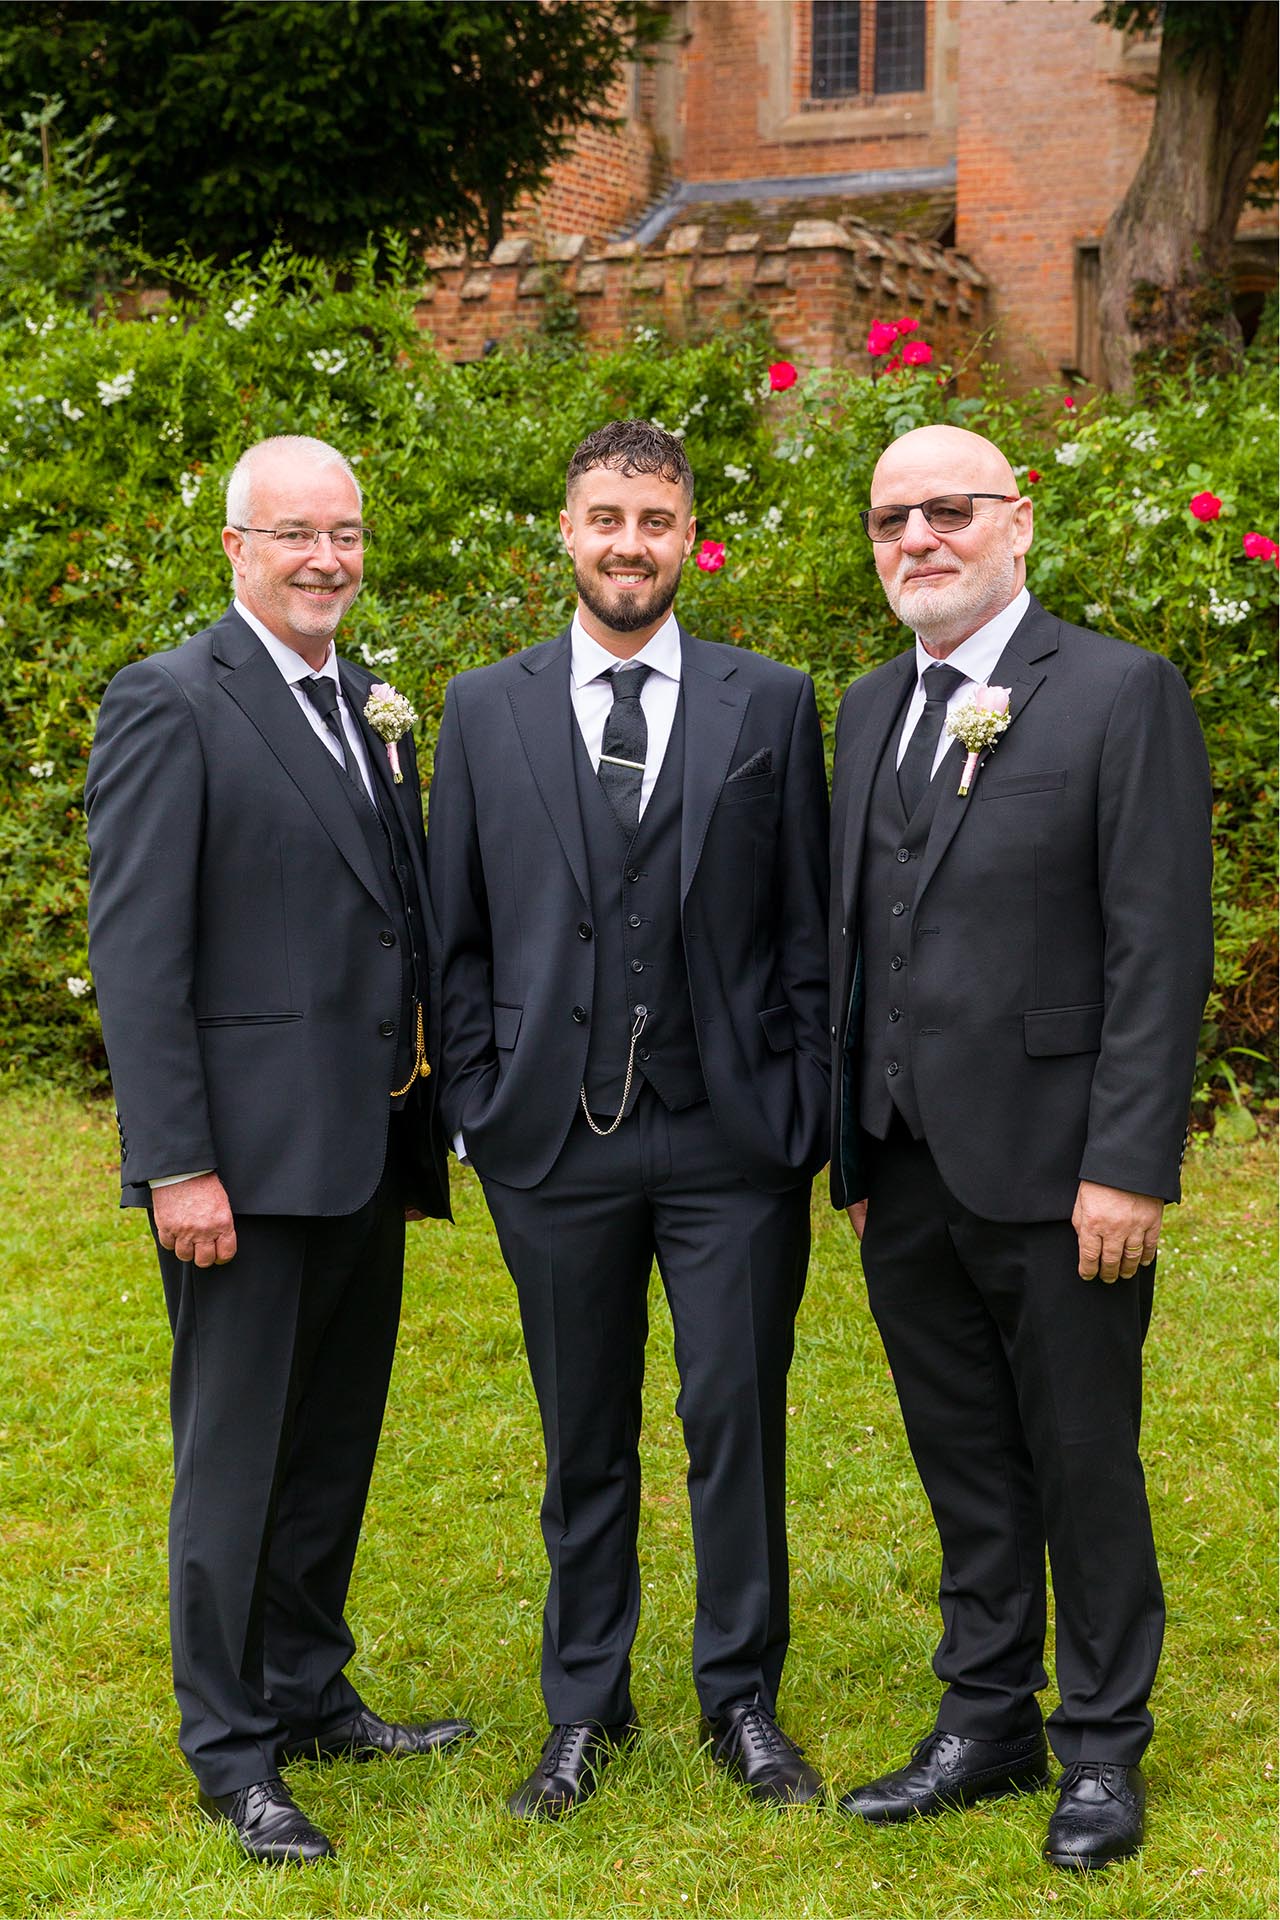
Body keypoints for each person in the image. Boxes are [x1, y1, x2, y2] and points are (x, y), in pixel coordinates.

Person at [426, 420, 830, 1818]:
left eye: (655, 522)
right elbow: (456, 934)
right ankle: (585, 1706)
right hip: (553, 1142)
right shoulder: (483, 708)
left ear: (690, 535)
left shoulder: (769, 704)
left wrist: (801, 1107)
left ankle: (744, 1701)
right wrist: (479, 1098)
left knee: (737, 1419)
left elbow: (805, 929)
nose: (629, 546)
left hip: (733, 1140)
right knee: (581, 1430)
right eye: (606, 518)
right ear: (566, 529)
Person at [828, 424, 1213, 1871]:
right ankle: (984, 1719)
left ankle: (1102, 1749)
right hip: (904, 1164)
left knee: (1080, 1457)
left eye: (946, 511)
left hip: (1062, 1171)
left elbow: (1158, 948)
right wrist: (851, 1154)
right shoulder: (871, 709)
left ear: (1016, 523)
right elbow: (854, 942)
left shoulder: (1119, 693)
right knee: (965, 1460)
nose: (916, 539)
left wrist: (1129, 1163)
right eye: (890, 520)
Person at [85, 434, 473, 1867]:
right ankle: (231, 1749)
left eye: (348, 534)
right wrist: (177, 1162)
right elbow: (138, 957)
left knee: (330, 1444)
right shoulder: (170, 703)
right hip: (239, 1167)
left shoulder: (369, 709)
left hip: (366, 1145)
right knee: (235, 1459)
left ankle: (308, 1689)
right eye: (297, 533)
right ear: (237, 548)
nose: (328, 559)